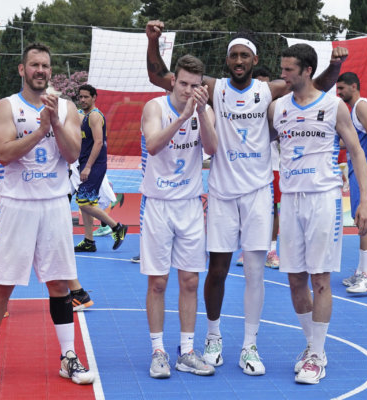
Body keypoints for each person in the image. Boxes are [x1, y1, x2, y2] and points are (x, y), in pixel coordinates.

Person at [146, 20, 348, 375]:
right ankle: (213, 337)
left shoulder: (270, 90)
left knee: (255, 272)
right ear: (227, 60)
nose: (238, 60)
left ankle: (249, 346)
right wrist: (153, 41)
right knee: (217, 270)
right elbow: (160, 76)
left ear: (255, 59)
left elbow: (314, 84)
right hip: (222, 192)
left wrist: (335, 65)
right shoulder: (213, 88)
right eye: (233, 55)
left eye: (244, 55)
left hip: (258, 193)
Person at [0, 43, 94, 385]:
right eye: (34, 65)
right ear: (22, 69)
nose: (41, 70)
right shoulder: (6, 106)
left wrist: (54, 122)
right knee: (4, 283)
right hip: (17, 205)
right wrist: (40, 131)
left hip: (54, 204)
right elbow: (4, 153)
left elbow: (72, 154)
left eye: (45, 66)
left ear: (50, 71)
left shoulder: (66, 108)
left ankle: (68, 357)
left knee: (59, 283)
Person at [270, 43, 367, 385]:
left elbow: (356, 152)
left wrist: (363, 201)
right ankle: (313, 345)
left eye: (288, 69)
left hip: (324, 200)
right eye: (282, 68)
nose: (283, 75)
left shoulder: (333, 106)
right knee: (295, 280)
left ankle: (316, 355)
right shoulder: (277, 108)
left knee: (320, 280)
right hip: (290, 201)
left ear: (307, 71)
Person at [140, 54, 218, 379]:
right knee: (158, 282)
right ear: (173, 81)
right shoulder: (155, 107)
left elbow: (212, 149)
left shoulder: (204, 111)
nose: (188, 90)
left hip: (189, 204)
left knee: (190, 280)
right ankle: (158, 351)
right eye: (183, 83)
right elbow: (153, 145)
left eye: (195, 85)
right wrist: (183, 116)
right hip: (158, 204)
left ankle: (186, 351)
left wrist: (199, 113)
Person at [336, 72, 367, 293]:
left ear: (354, 86)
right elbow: (353, 141)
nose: (339, 92)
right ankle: (362, 271)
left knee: (365, 221)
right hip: (358, 169)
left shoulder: (362, 106)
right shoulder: (353, 109)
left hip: (366, 169)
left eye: (342, 88)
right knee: (359, 219)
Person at [73, 84, 128, 253]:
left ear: (94, 97)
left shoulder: (95, 116)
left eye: (86, 97)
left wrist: (88, 167)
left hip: (94, 165)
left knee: (83, 202)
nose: (83, 100)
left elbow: (98, 142)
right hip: (85, 163)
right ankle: (89, 241)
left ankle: (117, 227)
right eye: (80, 97)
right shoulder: (83, 115)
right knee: (87, 203)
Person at [236, 65, 280, 269]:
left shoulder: (276, 105)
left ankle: (271, 250)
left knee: (273, 209)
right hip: (247, 164)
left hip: (273, 164)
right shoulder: (242, 103)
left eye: (266, 84)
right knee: (246, 209)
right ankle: (247, 249)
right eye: (259, 83)